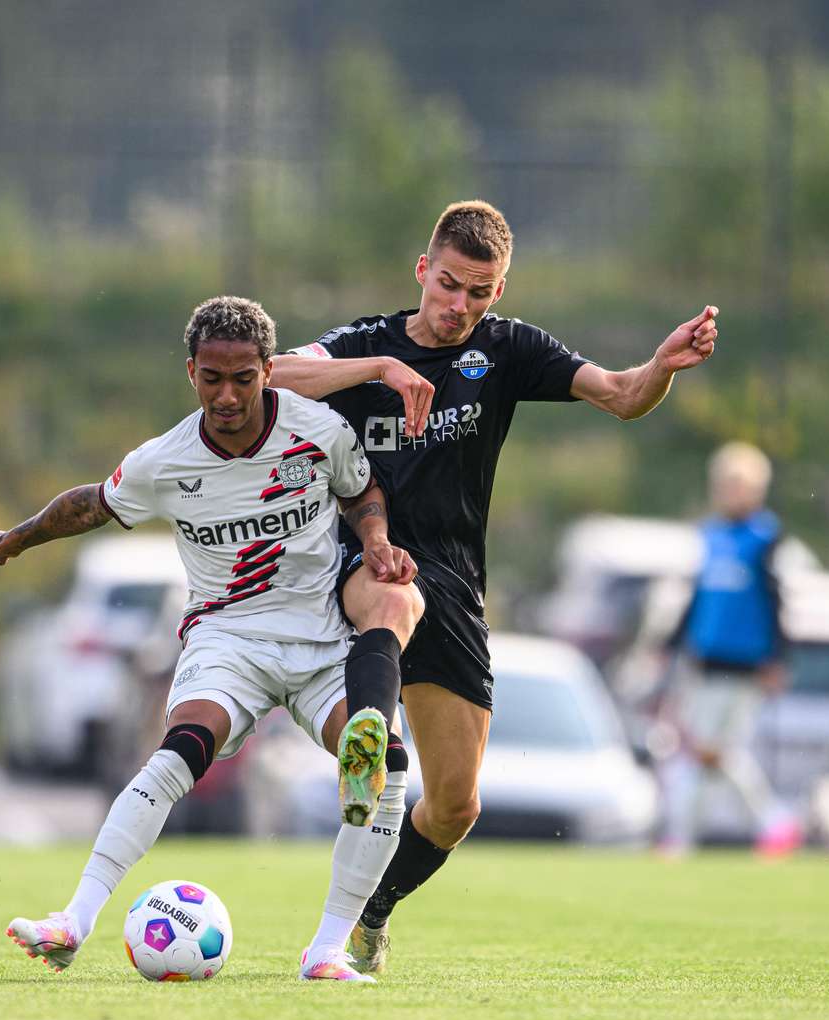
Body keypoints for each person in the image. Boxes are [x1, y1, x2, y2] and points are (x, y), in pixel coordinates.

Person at [268, 199, 718, 972]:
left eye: (480, 292)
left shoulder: (507, 351)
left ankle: (375, 908)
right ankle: (374, 744)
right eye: (448, 285)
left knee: (453, 808)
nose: (459, 306)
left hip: (456, 584)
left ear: (499, 291)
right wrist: (377, 370)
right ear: (423, 270)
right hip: (365, 556)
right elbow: (272, 372)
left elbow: (619, 394)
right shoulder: (365, 344)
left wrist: (660, 369)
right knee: (390, 593)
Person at [0, 296, 424, 982]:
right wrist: (15, 540)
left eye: (244, 378)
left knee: (385, 765)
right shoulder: (166, 460)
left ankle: (326, 950)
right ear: (191, 373)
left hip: (319, 639)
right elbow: (92, 503)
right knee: (181, 750)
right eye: (212, 378)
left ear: (270, 371)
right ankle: (73, 921)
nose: (228, 395)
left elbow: (361, 493)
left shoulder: (318, 431)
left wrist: (377, 539)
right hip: (227, 639)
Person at [656, 442, 801, 858]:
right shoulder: (710, 536)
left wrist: (779, 657)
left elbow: (777, 600)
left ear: (757, 489)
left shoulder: (766, 537)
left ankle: (694, 836)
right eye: (725, 484)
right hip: (705, 658)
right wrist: (670, 644)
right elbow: (697, 598)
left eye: (739, 485)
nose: (730, 492)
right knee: (707, 754)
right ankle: (695, 836)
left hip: (746, 662)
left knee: (712, 752)